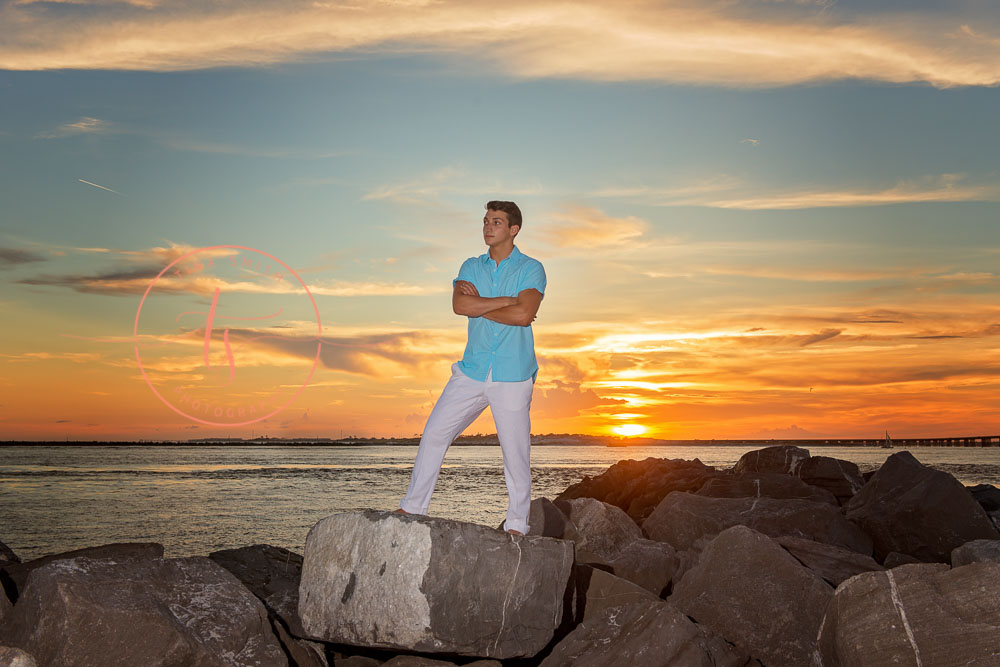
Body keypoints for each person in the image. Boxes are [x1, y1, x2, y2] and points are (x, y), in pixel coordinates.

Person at [397, 200, 546, 535]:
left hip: (513, 373)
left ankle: (518, 524)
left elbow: (523, 316)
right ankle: (412, 508)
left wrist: (480, 307)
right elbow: (459, 305)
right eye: (485, 221)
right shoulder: (470, 266)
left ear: (513, 230)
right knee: (435, 433)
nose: (488, 227)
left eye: (496, 222)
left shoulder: (531, 268)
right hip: (472, 370)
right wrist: (506, 301)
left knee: (515, 453)